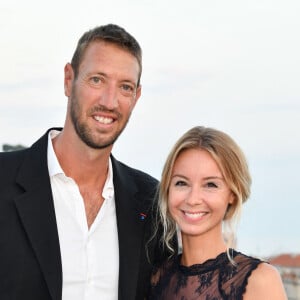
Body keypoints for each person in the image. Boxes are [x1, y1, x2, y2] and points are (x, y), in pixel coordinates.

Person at [0, 24, 171, 300]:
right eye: (97, 80)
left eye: (125, 87)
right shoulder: (4, 179)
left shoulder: (152, 203)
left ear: (136, 97)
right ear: (69, 80)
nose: (109, 101)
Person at [148, 126, 287, 300]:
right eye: (181, 183)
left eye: (210, 185)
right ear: (167, 189)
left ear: (232, 195)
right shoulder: (154, 280)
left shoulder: (259, 281)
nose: (193, 199)